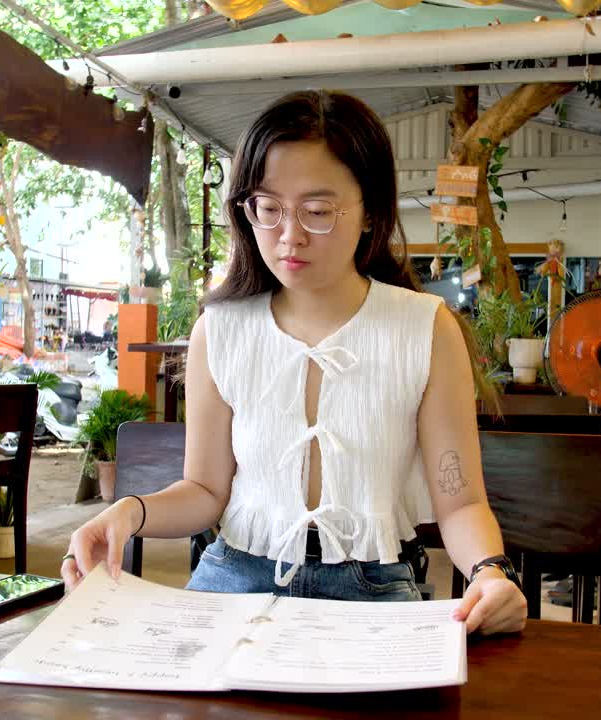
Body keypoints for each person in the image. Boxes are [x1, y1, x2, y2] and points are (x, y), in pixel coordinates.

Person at [62, 91, 526, 636]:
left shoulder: (424, 329)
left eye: (318, 211)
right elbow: (207, 491)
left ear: (371, 210)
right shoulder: (221, 329)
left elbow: (460, 500)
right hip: (232, 580)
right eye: (269, 207)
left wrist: (491, 573)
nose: (289, 236)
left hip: (370, 590)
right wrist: (128, 512)